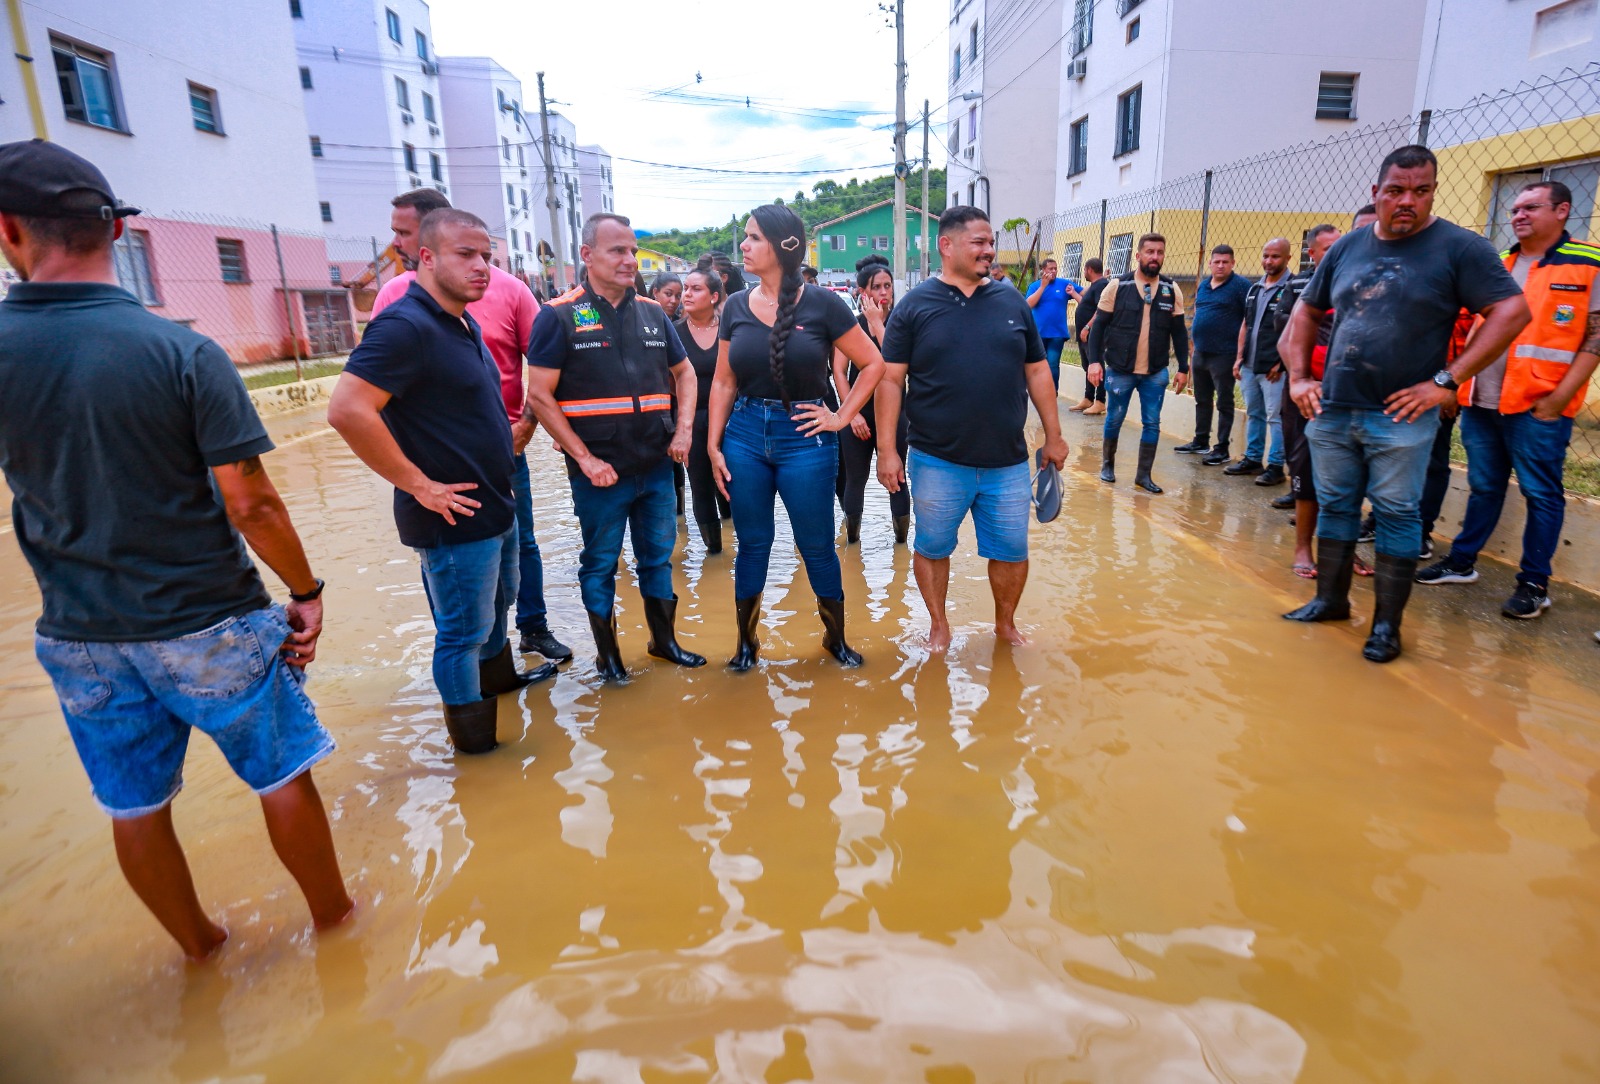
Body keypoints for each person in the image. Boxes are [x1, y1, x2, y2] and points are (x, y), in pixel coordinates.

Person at [0, 140, 353, 959]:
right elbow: (252, 500)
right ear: (115, 232)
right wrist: (305, 589)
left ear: (11, 231)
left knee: (134, 805)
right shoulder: (180, 350)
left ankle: (200, 948)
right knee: (279, 775)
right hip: (207, 617)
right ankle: (337, 924)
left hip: (79, 628)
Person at [1281, 145, 1530, 663]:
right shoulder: (1347, 248)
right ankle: (1330, 600)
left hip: (1401, 414)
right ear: (1376, 193)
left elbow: (1511, 311)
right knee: (1337, 506)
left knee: (1396, 513)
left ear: (1433, 192)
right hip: (1333, 408)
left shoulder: (1459, 247)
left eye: (1420, 191)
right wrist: (1300, 377)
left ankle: (1386, 628)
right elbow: (1305, 314)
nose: (1407, 202)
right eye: (1396, 191)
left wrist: (1447, 380)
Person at [332, 210, 555, 751]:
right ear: (426, 258)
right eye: (466, 255)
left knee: (496, 611)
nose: (482, 267)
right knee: (460, 633)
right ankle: (476, 746)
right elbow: (348, 410)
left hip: (495, 500)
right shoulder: (405, 325)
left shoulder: (461, 320)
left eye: (487, 256)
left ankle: (499, 689)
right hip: (452, 514)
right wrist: (419, 485)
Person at [370, 190, 571, 664]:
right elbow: (365, 395)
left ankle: (530, 629)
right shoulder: (396, 301)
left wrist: (526, 425)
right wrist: (412, 474)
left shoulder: (507, 291)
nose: (394, 241)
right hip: (436, 462)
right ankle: (464, 651)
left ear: (434, 231)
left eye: (403, 230)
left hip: (504, 451)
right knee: (445, 563)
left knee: (519, 544)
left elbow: (542, 363)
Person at [875, 206, 1070, 651]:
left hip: (1006, 461)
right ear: (947, 246)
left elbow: (1038, 371)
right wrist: (888, 450)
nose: (989, 251)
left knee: (1011, 551)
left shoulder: (1011, 301)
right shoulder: (915, 306)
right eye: (978, 242)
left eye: (990, 242)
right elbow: (889, 379)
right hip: (937, 458)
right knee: (933, 546)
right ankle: (939, 625)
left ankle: (1005, 625)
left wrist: (1052, 436)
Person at [524, 213, 703, 681]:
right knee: (601, 562)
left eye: (631, 250)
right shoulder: (559, 315)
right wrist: (584, 458)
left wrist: (683, 430)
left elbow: (685, 373)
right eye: (616, 251)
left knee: (658, 558)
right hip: (600, 473)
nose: (629, 260)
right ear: (587, 256)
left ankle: (664, 642)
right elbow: (539, 396)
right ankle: (609, 657)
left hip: (657, 466)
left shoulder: (651, 312)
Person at [707, 204, 886, 670]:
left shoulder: (823, 304)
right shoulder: (735, 306)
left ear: (784, 246)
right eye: (744, 237)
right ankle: (747, 646)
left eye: (753, 238)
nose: (743, 246)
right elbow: (724, 382)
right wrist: (712, 443)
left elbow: (873, 364)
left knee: (817, 543)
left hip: (806, 435)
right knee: (753, 541)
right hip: (744, 434)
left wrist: (840, 417)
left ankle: (835, 640)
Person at [1416, 180, 1600, 619]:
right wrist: (1457, 384)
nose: (1518, 215)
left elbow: (1596, 338)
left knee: (1541, 493)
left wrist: (1558, 399)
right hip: (1482, 399)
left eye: (1531, 208)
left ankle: (1535, 583)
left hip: (1538, 405)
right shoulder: (1500, 262)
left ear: (1562, 211)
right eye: (1515, 209)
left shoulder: (1588, 263)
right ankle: (1462, 562)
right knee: (1484, 487)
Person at [1086, 234, 1191, 494]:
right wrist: (1094, 362)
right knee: (1114, 419)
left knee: (1152, 423)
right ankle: (1107, 466)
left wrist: (1184, 368)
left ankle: (1143, 476)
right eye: (1150, 252)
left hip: (1155, 372)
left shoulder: (1171, 289)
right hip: (1120, 370)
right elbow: (1098, 327)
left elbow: (1179, 331)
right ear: (1138, 255)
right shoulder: (1117, 286)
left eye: (1159, 252)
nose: (1155, 257)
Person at [1273, 223, 1341, 577]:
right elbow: (1284, 337)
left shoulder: (1361, 286)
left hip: (1350, 394)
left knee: (1343, 477)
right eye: (1326, 248)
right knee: (1305, 468)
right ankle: (1303, 548)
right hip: (1306, 393)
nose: (1336, 253)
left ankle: (1341, 551)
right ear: (1311, 253)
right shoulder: (1302, 287)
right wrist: (1300, 380)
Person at [835, 255, 911, 545]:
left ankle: (901, 547)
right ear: (862, 293)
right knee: (856, 479)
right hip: (859, 413)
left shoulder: (900, 323)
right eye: (876, 287)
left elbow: (894, 363)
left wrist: (878, 324)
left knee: (898, 479)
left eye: (888, 286)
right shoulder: (849, 325)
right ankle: (852, 544)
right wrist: (849, 413)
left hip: (893, 415)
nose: (884, 292)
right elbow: (840, 372)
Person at [1225, 238, 1293, 485]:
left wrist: (1282, 362)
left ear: (1288, 258)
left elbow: (1297, 328)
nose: (1268, 261)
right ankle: (1253, 459)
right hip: (1250, 364)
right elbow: (1246, 324)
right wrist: (1239, 357)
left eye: (1275, 256)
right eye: (1266, 256)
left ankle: (1276, 466)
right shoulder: (1255, 289)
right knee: (1255, 413)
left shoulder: (1294, 288)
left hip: (1274, 368)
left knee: (1276, 416)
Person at [676, 266, 732, 553]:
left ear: (713, 296)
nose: (686, 293)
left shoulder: (731, 328)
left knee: (736, 484)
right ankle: (716, 555)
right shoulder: (673, 333)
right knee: (700, 485)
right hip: (693, 422)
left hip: (732, 421)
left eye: (695, 289)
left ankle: (741, 545)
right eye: (685, 288)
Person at [1178, 245, 1248, 462]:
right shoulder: (1205, 285)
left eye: (1225, 262)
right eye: (1216, 261)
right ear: (1210, 263)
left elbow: (1249, 320)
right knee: (1202, 399)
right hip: (1201, 353)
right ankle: (1200, 441)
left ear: (1233, 263)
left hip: (1225, 355)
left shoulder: (1241, 286)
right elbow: (1199, 313)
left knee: (1224, 401)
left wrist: (1240, 355)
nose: (1220, 265)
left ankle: (1222, 448)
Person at [1025, 256, 1082, 391]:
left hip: (1057, 334)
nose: (1054, 271)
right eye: (1050, 269)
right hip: (1038, 333)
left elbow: (1086, 295)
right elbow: (1028, 305)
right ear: (1043, 270)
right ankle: (1039, 391)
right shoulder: (1035, 286)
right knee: (1038, 364)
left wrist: (1074, 293)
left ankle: (1052, 392)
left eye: (1055, 268)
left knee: (1053, 364)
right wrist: (1043, 286)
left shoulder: (1064, 284)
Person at [1070, 257, 1108, 415]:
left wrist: (1087, 327)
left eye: (1084, 270)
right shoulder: (1095, 285)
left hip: (1093, 334)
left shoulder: (1101, 285)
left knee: (1096, 365)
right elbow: (1086, 299)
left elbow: (1100, 309)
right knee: (1088, 367)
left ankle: (1100, 401)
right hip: (1085, 335)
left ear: (1089, 270)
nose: (1084, 272)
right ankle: (1088, 398)